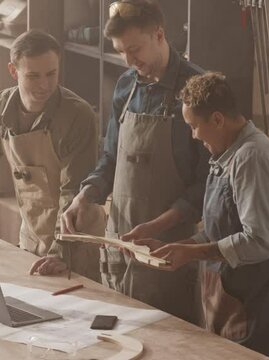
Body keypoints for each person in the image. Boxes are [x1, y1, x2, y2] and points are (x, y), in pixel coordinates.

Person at [135, 72, 269, 359]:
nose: (193, 135)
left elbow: (259, 241)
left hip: (262, 297)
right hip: (236, 296)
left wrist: (191, 254)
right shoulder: (227, 154)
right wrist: (179, 247)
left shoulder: (251, 158)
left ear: (217, 119)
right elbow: (218, 231)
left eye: (194, 126)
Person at [58, 0, 210, 324]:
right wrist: (84, 196)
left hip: (167, 253)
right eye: (120, 51)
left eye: (134, 49)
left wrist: (156, 227)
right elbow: (111, 157)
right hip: (119, 248)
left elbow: (204, 186)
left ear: (159, 34)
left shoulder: (197, 91)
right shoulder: (126, 86)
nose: (128, 60)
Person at [0, 30, 105, 281]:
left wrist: (61, 252)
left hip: (76, 236)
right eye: (33, 76)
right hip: (32, 231)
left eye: (51, 74)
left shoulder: (77, 116)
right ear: (13, 71)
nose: (44, 85)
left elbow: (73, 192)